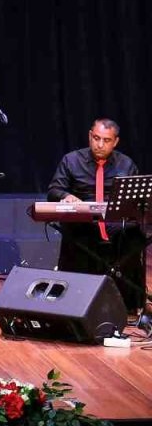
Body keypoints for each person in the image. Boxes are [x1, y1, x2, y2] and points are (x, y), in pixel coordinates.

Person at [47, 119, 146, 312]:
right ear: (90, 136)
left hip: (116, 223)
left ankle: (130, 304)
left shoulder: (126, 164)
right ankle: (74, 303)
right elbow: (54, 190)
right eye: (96, 138)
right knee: (77, 235)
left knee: (134, 237)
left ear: (115, 142)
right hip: (84, 222)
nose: (100, 144)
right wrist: (66, 196)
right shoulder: (71, 160)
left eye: (106, 140)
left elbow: (137, 200)